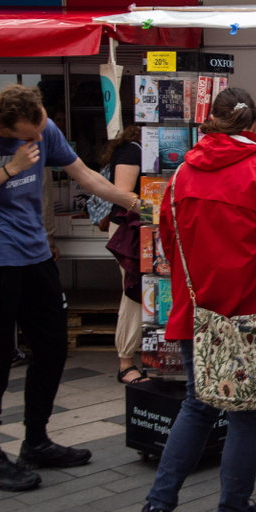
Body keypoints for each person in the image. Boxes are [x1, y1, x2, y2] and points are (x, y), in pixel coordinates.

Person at [0, 84, 141, 492]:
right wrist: (10, 169)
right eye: (27, 135)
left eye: (39, 132)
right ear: (2, 124)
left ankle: (36, 441)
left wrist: (137, 202)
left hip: (35, 254)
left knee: (52, 347)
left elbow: (84, 175)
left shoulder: (42, 125)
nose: (37, 140)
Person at [137, 88, 256, 512]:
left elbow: (169, 247)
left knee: (197, 405)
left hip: (198, 312)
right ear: (252, 125)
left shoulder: (180, 176)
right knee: (249, 415)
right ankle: (232, 511)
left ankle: (157, 506)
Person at [100, 126, 148, 385]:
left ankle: (134, 357)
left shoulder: (133, 150)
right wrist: (156, 211)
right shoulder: (132, 151)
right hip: (131, 231)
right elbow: (122, 193)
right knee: (134, 291)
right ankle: (126, 362)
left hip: (142, 229)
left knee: (142, 291)